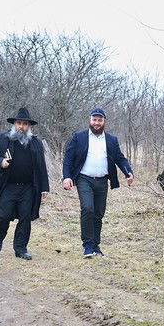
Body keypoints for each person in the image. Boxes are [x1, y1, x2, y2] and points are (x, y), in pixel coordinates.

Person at [62, 107, 134, 258]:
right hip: (84, 178)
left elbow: (120, 158)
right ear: (90, 120)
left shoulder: (111, 140)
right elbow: (68, 158)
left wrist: (128, 171)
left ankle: (96, 245)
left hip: (102, 180)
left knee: (98, 213)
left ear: (104, 122)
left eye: (99, 120)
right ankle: (87, 246)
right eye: (94, 120)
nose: (96, 123)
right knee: (88, 208)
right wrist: (67, 177)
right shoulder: (79, 137)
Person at [0, 107, 49, 260]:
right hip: (7, 186)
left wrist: (44, 187)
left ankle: (20, 249)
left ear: (28, 126)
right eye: (19, 123)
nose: (21, 127)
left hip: (28, 187)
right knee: (4, 216)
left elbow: (41, 166)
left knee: (25, 218)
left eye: (24, 124)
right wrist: (1, 162)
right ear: (14, 124)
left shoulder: (35, 142)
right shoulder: (2, 138)